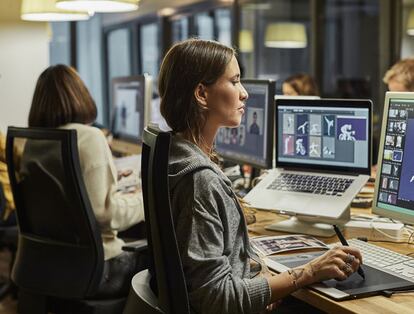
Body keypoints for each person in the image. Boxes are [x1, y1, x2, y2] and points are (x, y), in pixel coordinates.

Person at [159, 38, 363, 313]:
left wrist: (262, 284)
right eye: (234, 82)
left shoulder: (173, 152)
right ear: (201, 94)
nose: (244, 93)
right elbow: (217, 300)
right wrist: (308, 271)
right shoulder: (200, 181)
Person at [25, 64, 145, 297]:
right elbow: (106, 215)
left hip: (51, 265)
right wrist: (148, 199)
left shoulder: (34, 141)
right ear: (79, 95)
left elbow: (67, 189)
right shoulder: (88, 137)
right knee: (168, 266)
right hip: (98, 268)